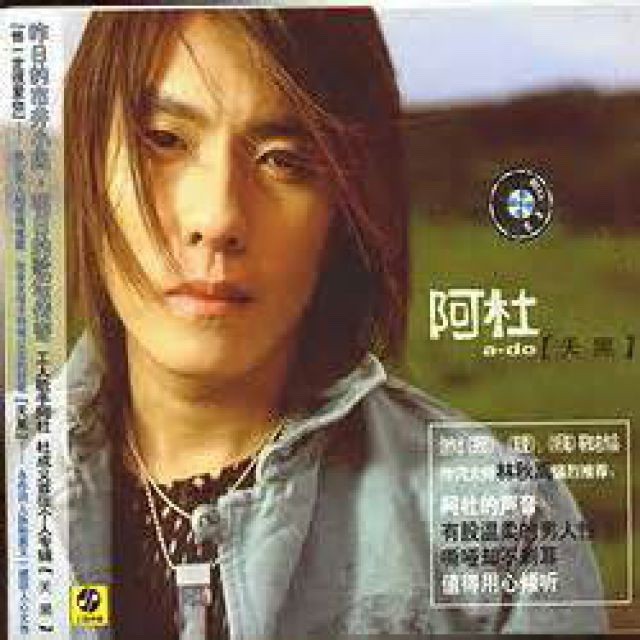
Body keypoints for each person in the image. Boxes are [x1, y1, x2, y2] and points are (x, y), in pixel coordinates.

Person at [55, 8, 606, 639]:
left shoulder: (504, 524)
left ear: (345, 207)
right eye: (164, 139)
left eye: (283, 160)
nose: (217, 217)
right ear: (87, 159)